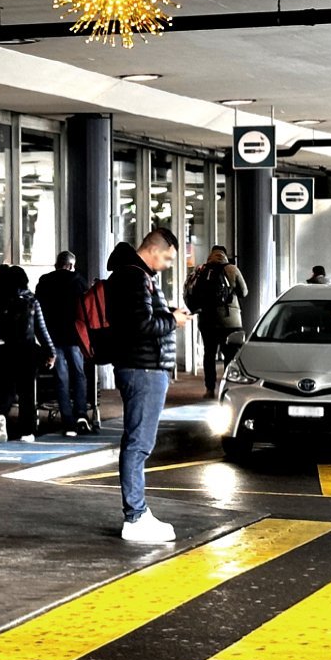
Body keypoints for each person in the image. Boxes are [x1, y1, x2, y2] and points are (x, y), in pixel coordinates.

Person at [106, 228, 189, 543]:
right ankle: (136, 516)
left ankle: (137, 513)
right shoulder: (135, 277)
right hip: (143, 369)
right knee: (139, 444)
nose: (168, 264)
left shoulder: (131, 275)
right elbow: (140, 325)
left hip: (140, 367)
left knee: (138, 442)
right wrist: (173, 321)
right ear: (156, 249)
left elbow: (138, 318)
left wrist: (166, 314)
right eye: (168, 257)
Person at [0, 265, 55, 443]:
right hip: (26, 350)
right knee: (26, 392)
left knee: (6, 389)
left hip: (1, 350)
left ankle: (1, 415)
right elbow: (41, 330)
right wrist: (51, 351)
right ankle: (27, 431)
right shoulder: (31, 301)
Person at [35, 250, 90, 436]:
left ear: (57, 264)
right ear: (71, 265)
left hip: (53, 337)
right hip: (74, 337)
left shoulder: (44, 282)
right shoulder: (79, 282)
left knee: (61, 378)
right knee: (79, 375)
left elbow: (38, 308)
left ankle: (67, 421)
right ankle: (81, 414)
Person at [185, 246, 248, 400]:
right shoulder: (232, 269)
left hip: (207, 320)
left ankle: (209, 389)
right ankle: (227, 389)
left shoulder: (201, 270)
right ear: (225, 255)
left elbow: (189, 291)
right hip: (230, 321)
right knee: (230, 355)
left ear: (210, 255)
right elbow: (244, 292)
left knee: (209, 354)